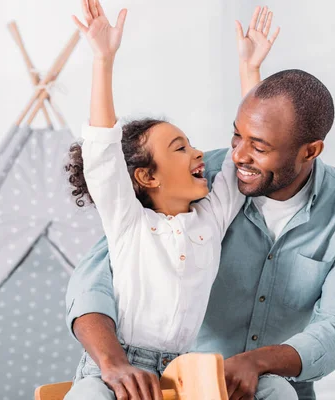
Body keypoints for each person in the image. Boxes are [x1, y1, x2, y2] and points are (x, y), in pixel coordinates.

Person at [66, 6, 335, 400]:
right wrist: (103, 60)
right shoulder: (196, 183)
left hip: (254, 379)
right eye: (236, 137)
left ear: (310, 151)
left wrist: (256, 362)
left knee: (278, 393)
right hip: (174, 368)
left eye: (259, 147)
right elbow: (102, 171)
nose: (236, 156)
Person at [64, 1, 286, 399]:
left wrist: (250, 70)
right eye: (180, 148)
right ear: (147, 176)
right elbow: (102, 153)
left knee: (276, 392)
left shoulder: (211, 217)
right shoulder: (129, 223)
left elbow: (247, 150)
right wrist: (103, 60)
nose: (200, 153)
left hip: (187, 368)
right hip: (119, 368)